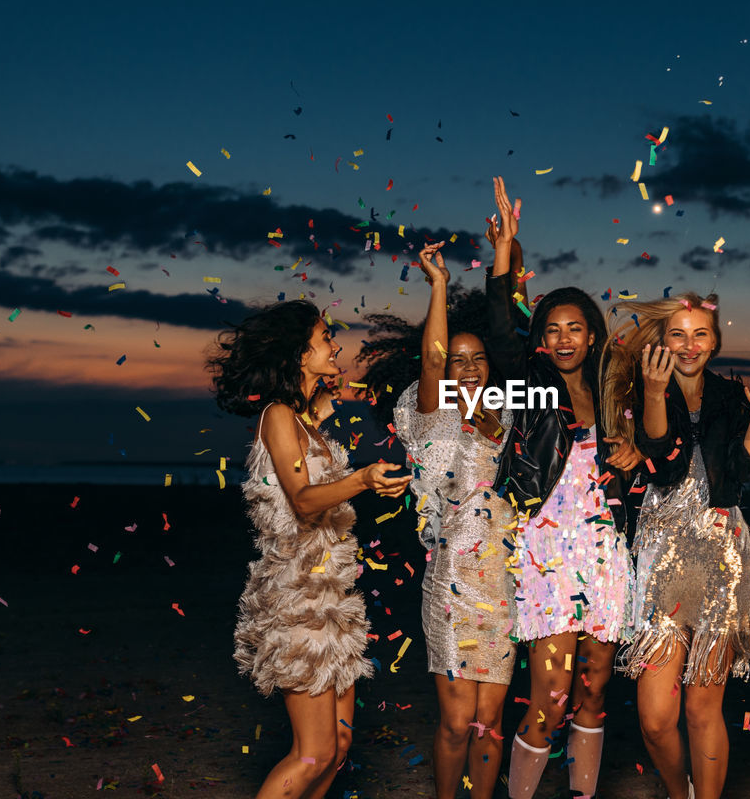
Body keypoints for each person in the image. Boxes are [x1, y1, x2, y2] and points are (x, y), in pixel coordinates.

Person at [207, 299, 412, 798]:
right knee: (313, 752)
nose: (336, 345)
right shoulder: (277, 415)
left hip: (330, 595)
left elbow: (323, 491)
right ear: (299, 353)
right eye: (325, 338)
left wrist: (368, 482)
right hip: (296, 595)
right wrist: (363, 478)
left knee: (338, 748)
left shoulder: (303, 421)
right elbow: (302, 500)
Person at [483, 177, 642, 799]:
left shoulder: (612, 393)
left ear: (592, 335)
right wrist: (506, 254)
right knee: (549, 697)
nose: (563, 339)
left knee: (596, 689)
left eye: (574, 328)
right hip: (550, 551)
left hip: (607, 552)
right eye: (552, 330)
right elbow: (501, 330)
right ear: (541, 339)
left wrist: (635, 457)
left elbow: (643, 457)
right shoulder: (531, 386)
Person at [602, 293, 750, 799]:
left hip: (724, 553)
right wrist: (656, 395)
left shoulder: (733, 397)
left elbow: (743, 472)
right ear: (662, 341)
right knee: (657, 718)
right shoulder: (638, 392)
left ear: (715, 340)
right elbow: (665, 460)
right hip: (663, 556)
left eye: (699, 334)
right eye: (677, 334)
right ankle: (681, 792)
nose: (689, 344)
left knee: (704, 708)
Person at [392, 239, 518, 799]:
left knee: (491, 720)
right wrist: (439, 285)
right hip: (452, 585)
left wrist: (508, 258)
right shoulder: (430, 418)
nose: (465, 368)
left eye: (478, 359)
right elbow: (432, 360)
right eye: (458, 360)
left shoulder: (515, 416)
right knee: (454, 721)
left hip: (507, 583)